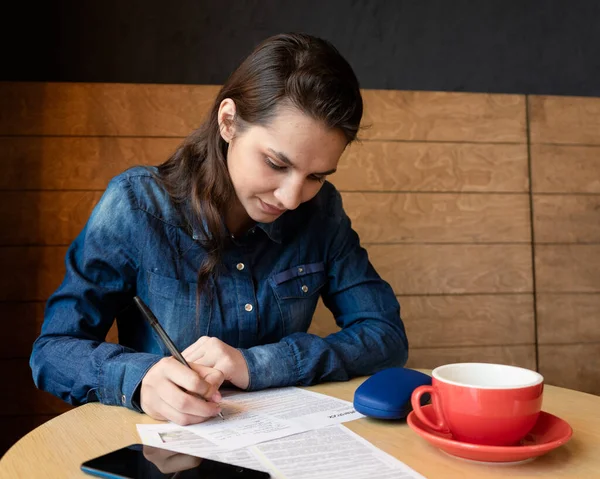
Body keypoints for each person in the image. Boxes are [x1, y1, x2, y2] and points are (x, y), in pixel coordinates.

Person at [30, 33, 408, 426]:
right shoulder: (137, 206)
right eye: (276, 164)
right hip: (170, 448)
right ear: (228, 122)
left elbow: (385, 335)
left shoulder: (321, 210)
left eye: (315, 175)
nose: (292, 197)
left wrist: (255, 364)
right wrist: (141, 379)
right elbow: (53, 350)